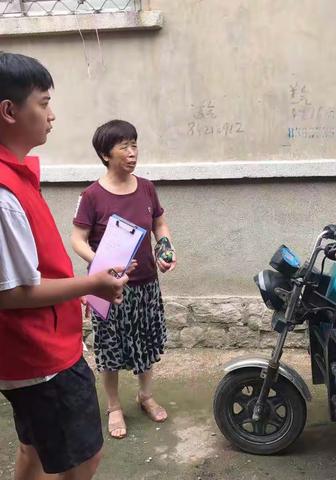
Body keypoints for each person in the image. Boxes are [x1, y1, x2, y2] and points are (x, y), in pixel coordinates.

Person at [0, 52, 129, 480]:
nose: (51, 115)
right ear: (9, 111)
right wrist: (88, 284)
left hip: (33, 350)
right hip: (40, 356)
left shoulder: (16, 176)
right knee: (82, 460)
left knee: (34, 448)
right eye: (43, 103)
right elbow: (12, 293)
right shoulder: (4, 194)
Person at [71, 119, 176, 440]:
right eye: (124, 147)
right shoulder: (92, 195)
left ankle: (145, 395)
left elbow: (159, 223)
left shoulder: (146, 187)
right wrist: (101, 263)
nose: (132, 153)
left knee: (145, 342)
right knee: (111, 348)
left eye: (135, 145)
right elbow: (77, 238)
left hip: (145, 284)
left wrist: (166, 247)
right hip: (108, 287)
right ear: (106, 154)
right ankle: (114, 405)